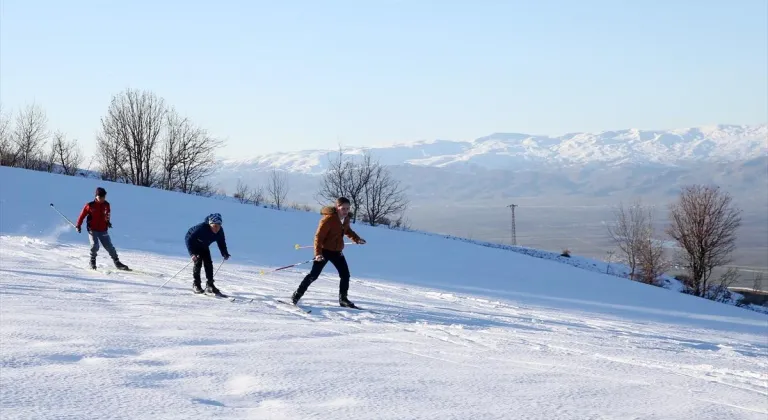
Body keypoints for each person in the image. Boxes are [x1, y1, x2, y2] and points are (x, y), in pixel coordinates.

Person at [291, 197, 366, 307]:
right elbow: (318, 237)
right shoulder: (328, 220)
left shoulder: (346, 219)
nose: (345, 211)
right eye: (343, 208)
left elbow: (347, 230)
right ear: (337, 207)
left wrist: (357, 239)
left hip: (337, 251)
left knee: (345, 275)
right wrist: (318, 254)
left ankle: (343, 299)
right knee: (313, 275)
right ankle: (297, 295)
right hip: (324, 251)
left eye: (347, 208)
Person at [75, 187, 130, 271]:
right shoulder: (89, 205)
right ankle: (92, 261)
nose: (102, 199)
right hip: (92, 229)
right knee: (95, 245)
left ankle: (117, 262)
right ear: (96, 196)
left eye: (104, 197)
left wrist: (108, 222)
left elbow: (107, 214)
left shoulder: (106, 204)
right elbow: (81, 216)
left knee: (109, 246)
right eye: (100, 197)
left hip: (103, 229)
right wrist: (78, 225)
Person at [185, 213, 230, 296]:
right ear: (210, 224)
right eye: (215, 226)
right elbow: (188, 239)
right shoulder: (201, 228)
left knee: (208, 263)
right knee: (198, 263)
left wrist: (224, 253)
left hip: (204, 245)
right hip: (194, 243)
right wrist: (192, 254)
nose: (217, 228)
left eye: (219, 225)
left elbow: (221, 242)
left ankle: (210, 285)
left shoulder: (220, 231)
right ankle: (196, 285)